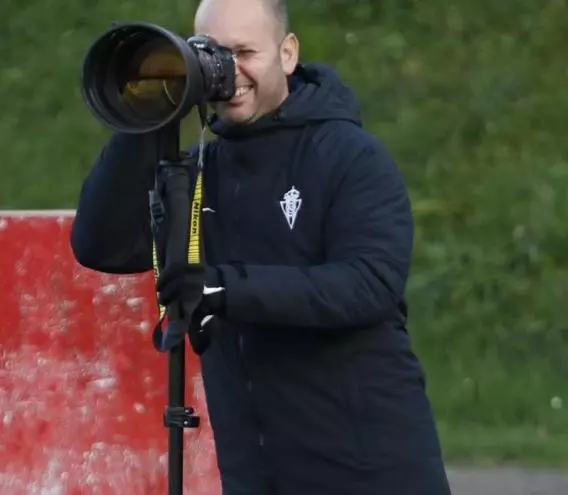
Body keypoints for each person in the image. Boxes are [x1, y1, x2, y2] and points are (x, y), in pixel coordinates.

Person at [69, 0, 452, 493]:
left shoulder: (349, 155)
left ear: (287, 53)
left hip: (370, 466)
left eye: (245, 52)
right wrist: (146, 119)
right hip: (256, 471)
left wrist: (222, 289)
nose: (229, 71)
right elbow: (101, 245)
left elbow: (368, 284)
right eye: (211, 53)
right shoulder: (199, 171)